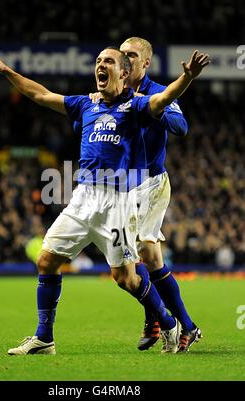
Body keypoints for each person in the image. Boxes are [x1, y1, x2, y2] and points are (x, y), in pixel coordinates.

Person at [0, 45, 209, 355]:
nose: (101, 65)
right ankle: (44, 338)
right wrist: (7, 72)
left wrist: (187, 78)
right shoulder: (86, 104)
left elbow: (163, 100)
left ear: (124, 73)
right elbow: (41, 95)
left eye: (108, 61)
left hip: (118, 201)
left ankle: (168, 323)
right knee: (46, 260)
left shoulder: (135, 106)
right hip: (83, 197)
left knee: (125, 278)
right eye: (98, 60)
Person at [119, 37, 202, 352]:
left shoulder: (157, 92)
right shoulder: (116, 91)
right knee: (149, 258)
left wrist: (158, 109)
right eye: (122, 54)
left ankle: (164, 320)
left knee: (133, 255)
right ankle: (173, 321)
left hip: (151, 184)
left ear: (145, 63)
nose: (125, 60)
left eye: (131, 55)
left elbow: (181, 127)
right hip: (124, 186)